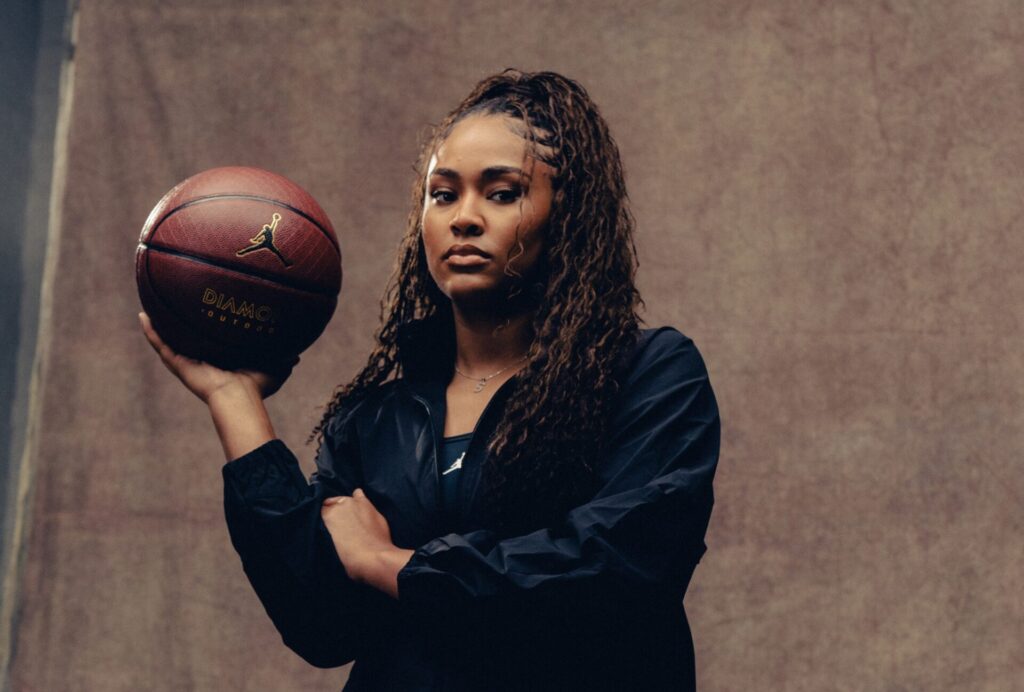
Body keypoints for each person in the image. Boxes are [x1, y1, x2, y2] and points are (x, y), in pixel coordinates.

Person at [140, 69, 720, 691]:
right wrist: (235, 401)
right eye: (442, 195)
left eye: (502, 193)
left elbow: (614, 575)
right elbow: (324, 625)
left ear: (568, 215)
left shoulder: (648, 375)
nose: (464, 218)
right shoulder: (375, 420)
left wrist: (389, 564)